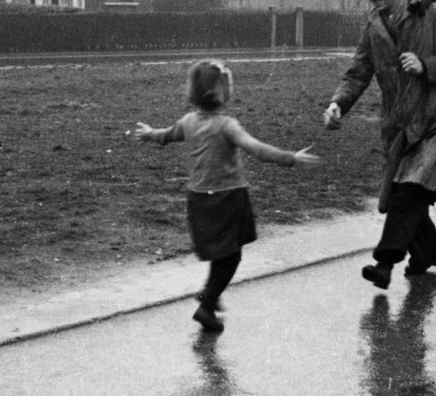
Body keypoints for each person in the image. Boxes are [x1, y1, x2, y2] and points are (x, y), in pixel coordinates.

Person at [135, 60, 321, 331]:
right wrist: (290, 158)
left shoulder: (188, 122)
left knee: (220, 253)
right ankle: (207, 305)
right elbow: (256, 149)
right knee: (231, 256)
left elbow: (167, 135)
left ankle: (210, 292)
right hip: (227, 198)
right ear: (220, 92)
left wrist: (151, 134)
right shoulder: (227, 125)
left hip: (199, 199)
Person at [322, 0, 436, 289]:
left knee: (409, 189)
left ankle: (384, 264)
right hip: (400, 121)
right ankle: (426, 254)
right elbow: (358, 72)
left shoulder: (432, 13)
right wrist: (338, 103)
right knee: (407, 192)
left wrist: (427, 64)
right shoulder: (373, 26)